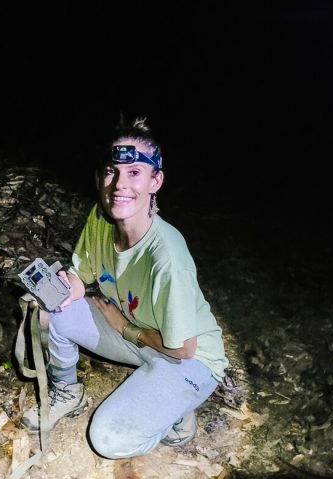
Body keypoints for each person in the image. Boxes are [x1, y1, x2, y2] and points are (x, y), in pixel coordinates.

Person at [21, 117, 228, 458]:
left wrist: (125, 328)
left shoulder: (167, 257)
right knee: (51, 315)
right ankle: (68, 393)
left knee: (108, 440)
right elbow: (81, 274)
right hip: (140, 335)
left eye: (134, 173)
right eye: (111, 171)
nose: (119, 184)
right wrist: (65, 289)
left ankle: (176, 408)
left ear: (155, 181)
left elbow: (185, 349)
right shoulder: (101, 219)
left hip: (189, 359)